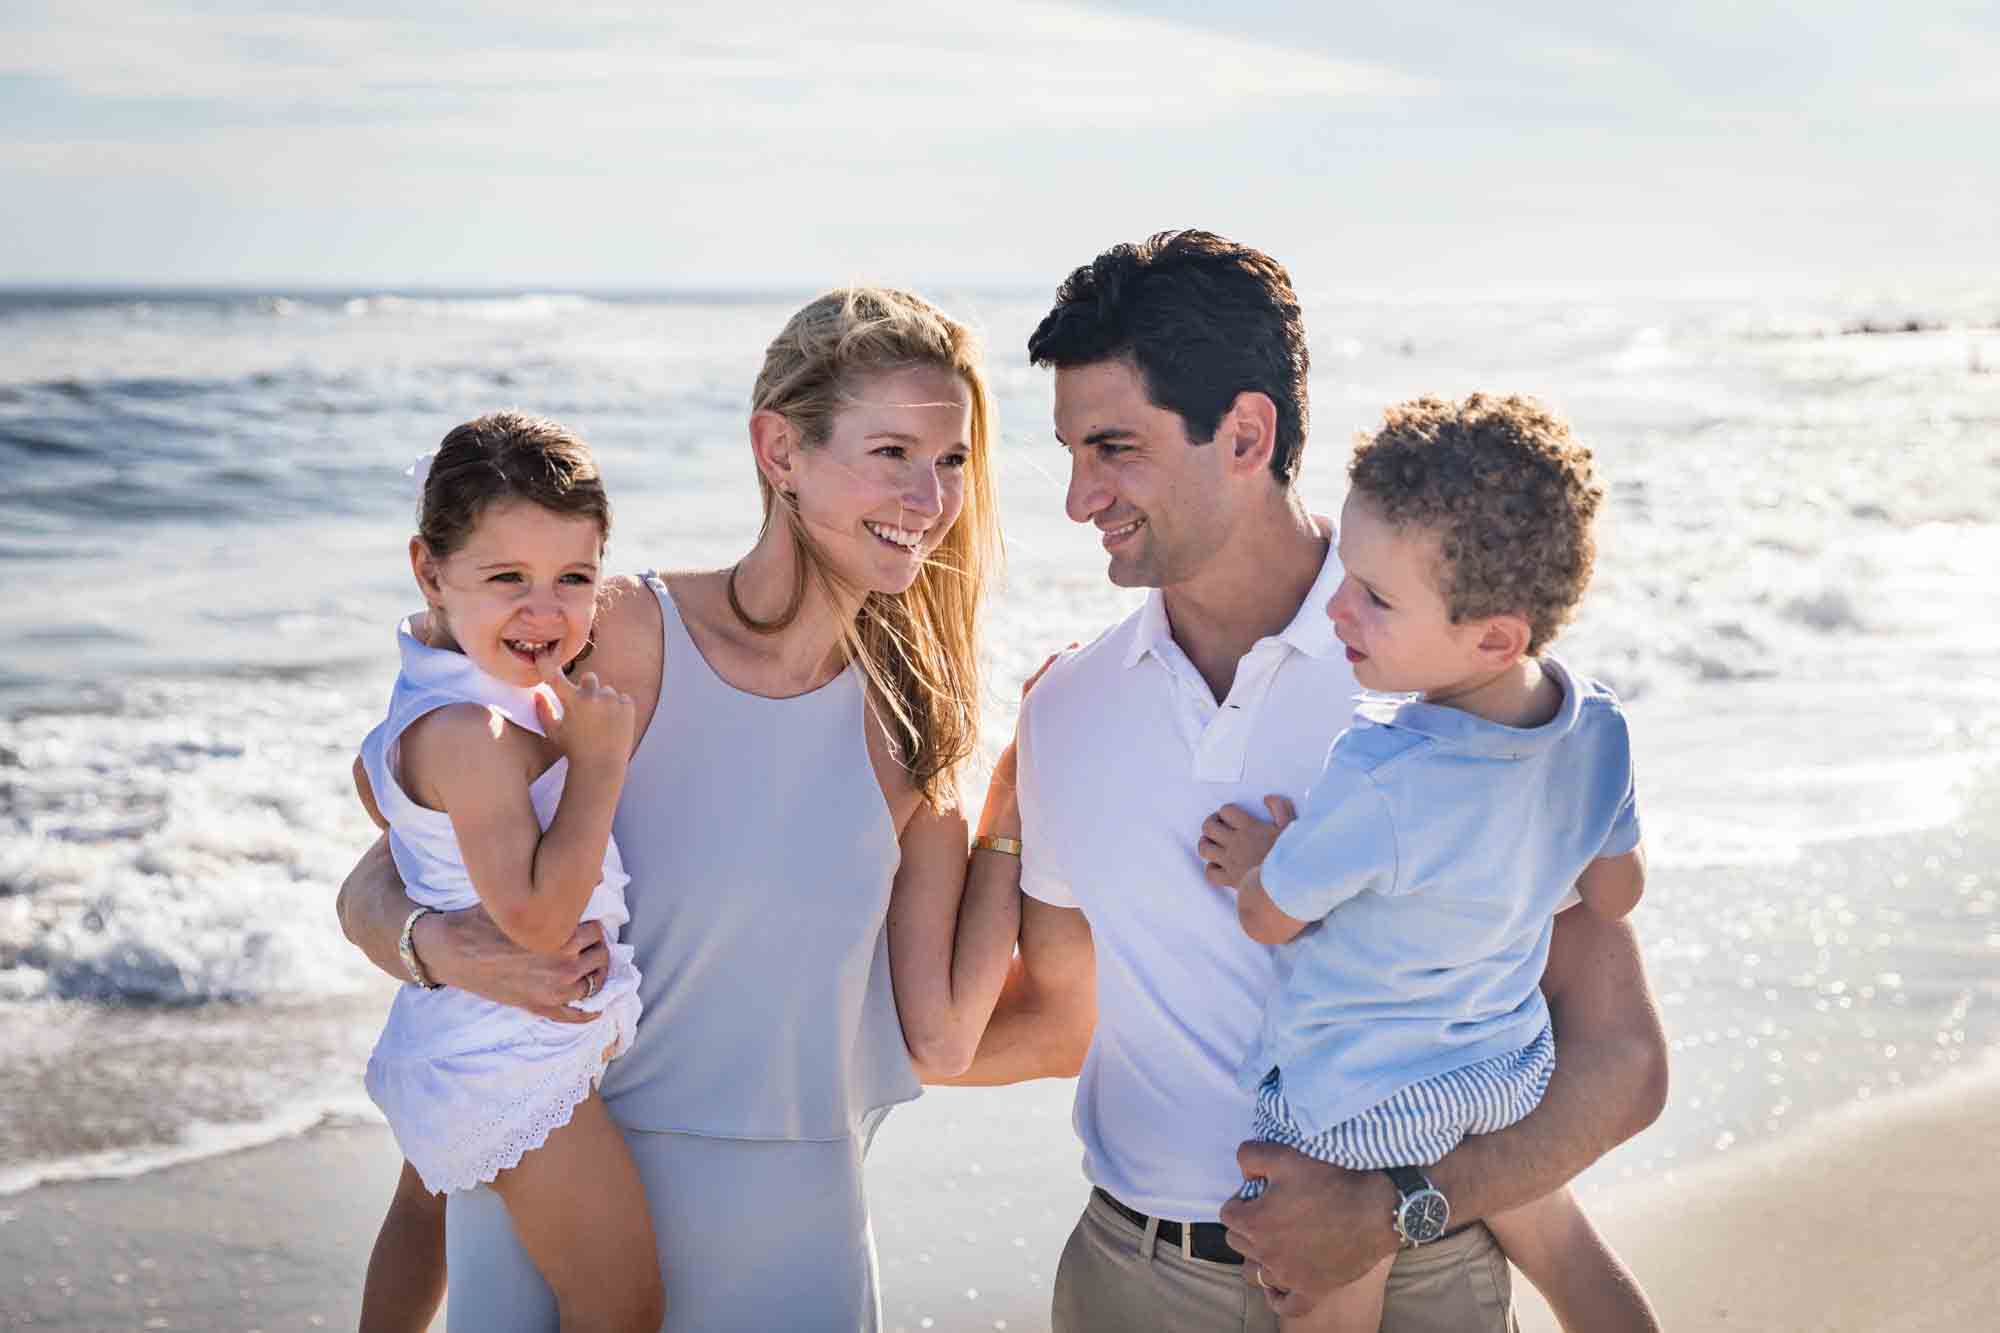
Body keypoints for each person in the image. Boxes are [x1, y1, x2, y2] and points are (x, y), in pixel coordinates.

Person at [946, 231, 1669, 1332]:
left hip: (1418, 1276)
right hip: (1128, 1280)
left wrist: (1397, 1209)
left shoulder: (1446, 670)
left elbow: (1619, 1057)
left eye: (1113, 448)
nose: (1078, 497)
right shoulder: (1064, 713)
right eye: (1070, 452)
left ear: (1245, 433)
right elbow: (1058, 1020)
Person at [337, 287, 1025, 1332]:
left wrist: (1015, 817)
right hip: (565, 1182)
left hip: (795, 1220)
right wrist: (437, 948)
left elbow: (941, 1035)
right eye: (891, 453)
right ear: (778, 450)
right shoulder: (610, 635)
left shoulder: (917, 723)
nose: (929, 497)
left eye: (952, 460)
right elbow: (396, 850)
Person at [1200, 393, 1659, 1331]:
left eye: (1374, 595)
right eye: (1346, 574)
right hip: (1505, 1073)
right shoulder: (1598, 725)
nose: (1337, 606)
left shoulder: (1383, 773)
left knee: (1325, 1304)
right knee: (1569, 1257)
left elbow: (1267, 917)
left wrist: (1266, 858)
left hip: (1358, 1100)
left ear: (1494, 636)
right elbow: (1616, 891)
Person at [351, 411, 661, 1333]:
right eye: (507, 578)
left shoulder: (444, 680)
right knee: (620, 1303)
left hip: (457, 1031)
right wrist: (600, 762)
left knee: (424, 1215)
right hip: (512, 1054)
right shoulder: (473, 732)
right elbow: (532, 920)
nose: (546, 610)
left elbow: (377, 794)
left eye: (575, 577)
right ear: (429, 569)